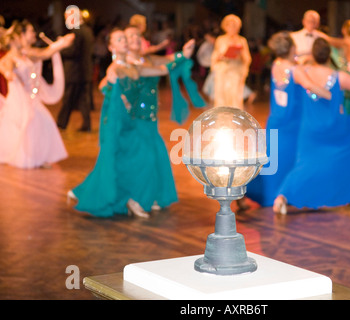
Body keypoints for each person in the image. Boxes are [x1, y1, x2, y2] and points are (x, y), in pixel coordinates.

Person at [248, 37, 350, 214]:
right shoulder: (337, 77)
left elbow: (303, 81)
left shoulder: (300, 69)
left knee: (302, 164)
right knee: (339, 158)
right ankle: (344, 192)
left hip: (308, 129)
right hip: (332, 128)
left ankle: (281, 196)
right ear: (330, 57)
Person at [68, 27, 203, 218]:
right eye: (129, 37)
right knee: (134, 159)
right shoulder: (127, 65)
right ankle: (131, 198)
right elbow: (106, 83)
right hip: (132, 120)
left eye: (137, 36)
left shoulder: (143, 60)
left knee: (147, 158)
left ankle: (140, 196)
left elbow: (165, 65)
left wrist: (183, 54)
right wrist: (111, 82)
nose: (135, 39)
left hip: (148, 118)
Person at [244, 31, 331, 213]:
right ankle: (286, 194)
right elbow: (310, 86)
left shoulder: (276, 65)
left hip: (276, 120)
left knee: (272, 161)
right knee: (296, 159)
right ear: (292, 48)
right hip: (293, 124)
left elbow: (296, 63)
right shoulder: (295, 70)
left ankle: (256, 192)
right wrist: (330, 95)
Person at [0, 20, 74, 169]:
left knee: (42, 123)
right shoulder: (8, 58)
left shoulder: (25, 55)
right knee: (29, 125)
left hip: (31, 97)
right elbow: (6, 69)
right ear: (15, 40)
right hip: (19, 99)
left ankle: (41, 156)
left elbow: (45, 53)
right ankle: (30, 156)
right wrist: (9, 74)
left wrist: (60, 44)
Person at [57, 11, 94, 132]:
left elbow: (74, 52)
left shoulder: (77, 31)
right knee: (83, 100)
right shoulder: (87, 30)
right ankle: (86, 124)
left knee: (68, 98)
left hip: (75, 72)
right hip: (85, 71)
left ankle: (61, 123)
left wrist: (60, 48)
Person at [211, 14, 251, 109]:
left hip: (235, 70)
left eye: (235, 26)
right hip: (222, 70)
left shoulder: (242, 40)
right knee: (221, 95)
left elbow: (247, 58)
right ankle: (221, 120)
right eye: (230, 25)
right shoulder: (220, 39)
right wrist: (220, 57)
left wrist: (240, 54)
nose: (232, 28)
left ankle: (234, 120)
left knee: (234, 96)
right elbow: (214, 56)